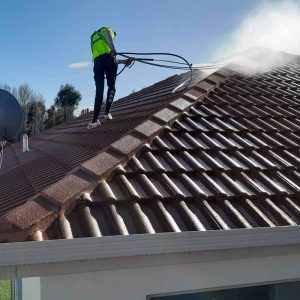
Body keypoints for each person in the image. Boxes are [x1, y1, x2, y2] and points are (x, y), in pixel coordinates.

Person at [87, 27, 131, 129]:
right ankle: (107, 113)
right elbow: (109, 58)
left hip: (97, 63)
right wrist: (112, 47)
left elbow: (108, 58)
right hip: (107, 61)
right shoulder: (108, 30)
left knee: (99, 91)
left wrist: (125, 61)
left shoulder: (93, 37)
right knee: (112, 87)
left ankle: (94, 120)